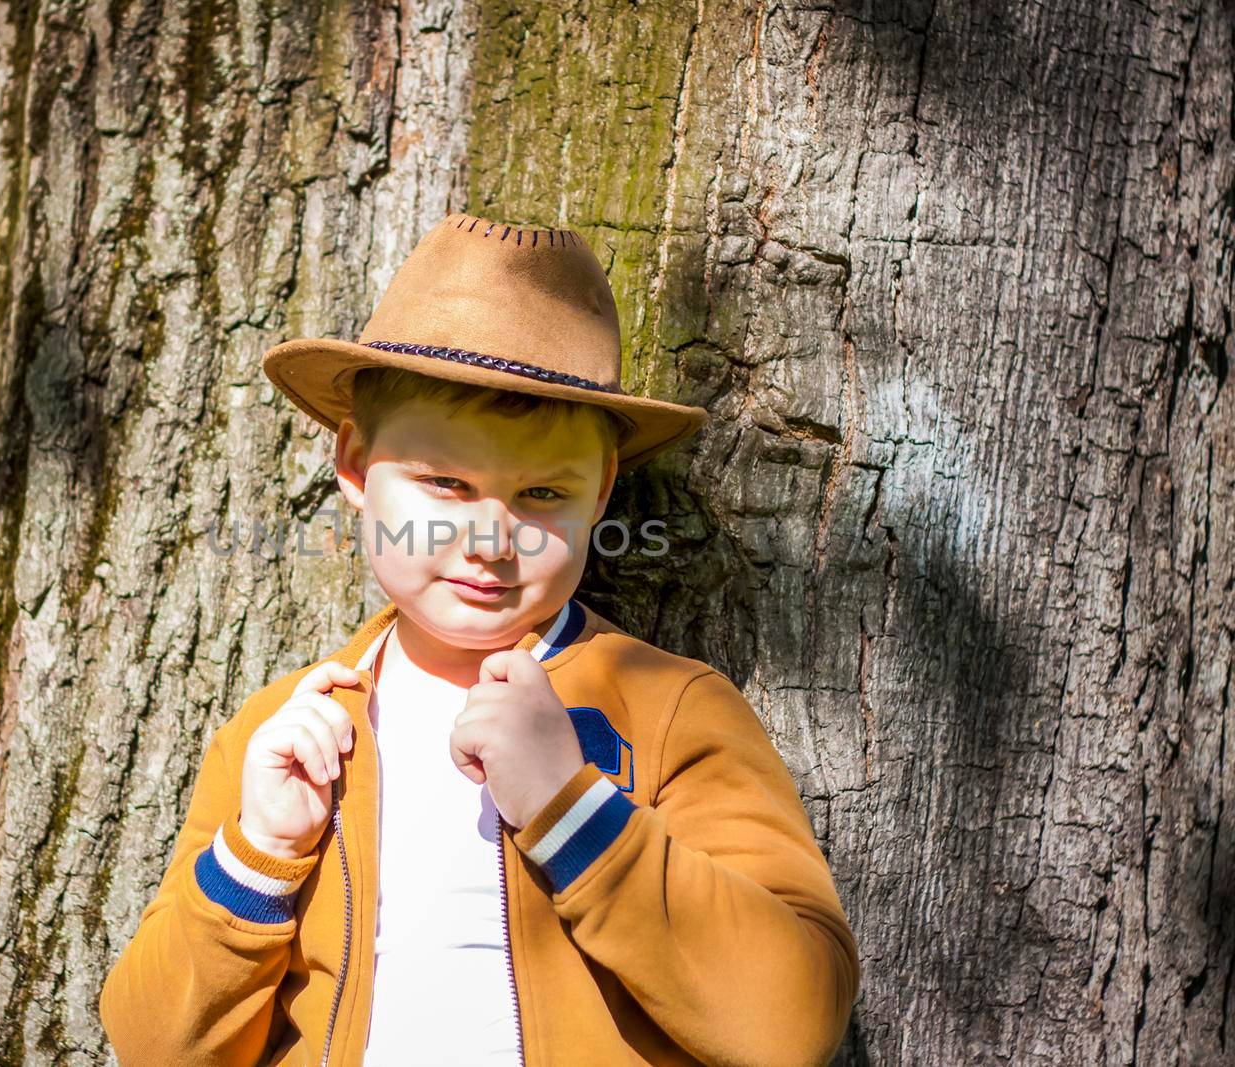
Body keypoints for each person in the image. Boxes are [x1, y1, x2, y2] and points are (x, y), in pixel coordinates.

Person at [99, 212, 859, 1067]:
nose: (492, 541)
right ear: (354, 465)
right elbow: (154, 1047)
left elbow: (790, 1027)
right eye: (446, 483)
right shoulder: (286, 731)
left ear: (601, 491)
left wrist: (570, 806)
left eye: (541, 494)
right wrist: (262, 853)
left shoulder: (666, 708)